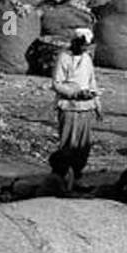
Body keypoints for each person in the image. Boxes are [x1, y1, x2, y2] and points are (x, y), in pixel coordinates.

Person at [50, 29, 102, 191]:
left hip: (86, 107)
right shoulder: (64, 58)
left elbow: (92, 80)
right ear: (74, 43)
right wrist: (75, 93)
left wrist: (97, 103)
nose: (84, 49)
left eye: (86, 47)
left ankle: (77, 176)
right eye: (82, 46)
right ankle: (61, 176)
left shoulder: (87, 59)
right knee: (67, 143)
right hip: (69, 106)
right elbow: (56, 83)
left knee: (83, 144)